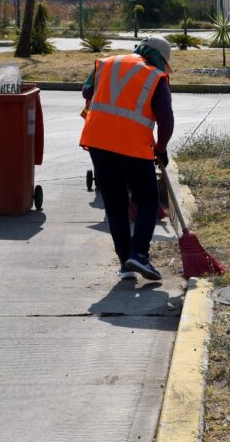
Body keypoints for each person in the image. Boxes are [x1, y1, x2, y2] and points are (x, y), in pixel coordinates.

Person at [79, 36, 174, 280]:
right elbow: (165, 119)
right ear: (159, 58)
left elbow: (86, 91)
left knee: (115, 204)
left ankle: (125, 263)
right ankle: (139, 254)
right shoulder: (155, 76)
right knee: (148, 201)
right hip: (132, 146)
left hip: (98, 141)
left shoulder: (108, 63)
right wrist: (161, 148)